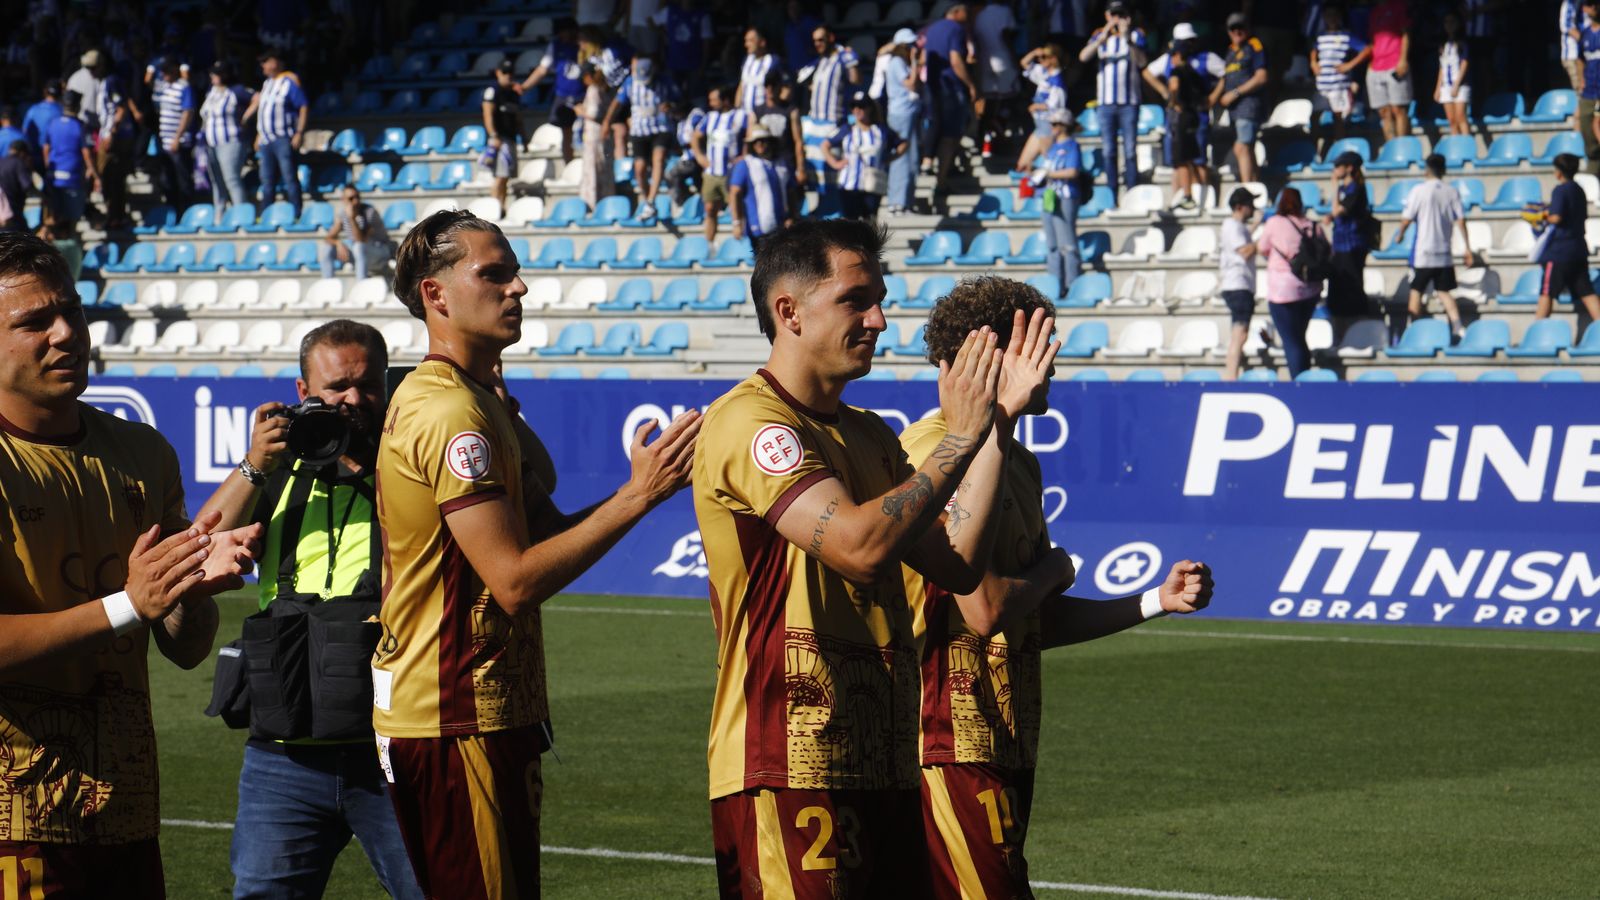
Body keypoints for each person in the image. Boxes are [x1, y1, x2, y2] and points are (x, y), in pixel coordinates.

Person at [375, 210, 700, 897]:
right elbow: (514, 580)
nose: (519, 287)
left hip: (489, 705)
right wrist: (636, 498)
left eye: (515, 270)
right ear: (436, 296)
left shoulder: (480, 400)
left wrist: (641, 492)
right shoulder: (448, 412)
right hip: (452, 710)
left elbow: (542, 536)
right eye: (494, 274)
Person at [691, 217, 1008, 898]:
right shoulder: (751, 423)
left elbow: (953, 567)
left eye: (880, 300)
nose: (880, 320)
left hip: (881, 760)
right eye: (855, 300)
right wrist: (957, 441)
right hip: (785, 760)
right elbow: (859, 549)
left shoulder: (867, 433)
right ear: (789, 312)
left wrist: (992, 433)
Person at [907, 278, 1215, 900]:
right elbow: (986, 606)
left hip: (1007, 738)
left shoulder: (1019, 462)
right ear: (999, 355)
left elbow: (1030, 621)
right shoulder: (928, 449)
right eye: (1044, 347)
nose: (1055, 365)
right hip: (945, 745)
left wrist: (1153, 600)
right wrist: (1053, 569)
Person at [0, 230, 259, 896]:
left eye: (74, 311)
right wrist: (129, 605)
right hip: (13, 817)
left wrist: (187, 591)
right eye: (35, 322)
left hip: (126, 807)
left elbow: (187, 649)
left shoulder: (143, 451)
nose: (67, 333)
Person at [196, 321, 423, 900]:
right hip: (284, 754)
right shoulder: (276, 472)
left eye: (367, 385)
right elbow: (200, 543)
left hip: (395, 750)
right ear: (302, 394)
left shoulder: (410, 460)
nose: (350, 401)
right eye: (336, 387)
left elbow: (535, 484)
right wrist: (254, 463)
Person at [1141, 23, 1224, 209]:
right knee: (1179, 161)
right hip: (1178, 118)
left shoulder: (1204, 59)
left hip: (1194, 116)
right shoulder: (1169, 61)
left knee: (1197, 160)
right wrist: (1164, 92)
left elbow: (1226, 73)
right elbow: (1147, 72)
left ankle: (1202, 198)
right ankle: (1181, 197)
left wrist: (1212, 98)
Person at [1394, 153, 1474, 341]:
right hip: (1444, 252)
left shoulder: (1419, 191)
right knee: (1444, 292)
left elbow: (1407, 218)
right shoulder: (1451, 191)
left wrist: (1400, 234)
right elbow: (1461, 221)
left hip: (1424, 251)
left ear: (1427, 170)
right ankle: (1457, 327)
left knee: (1416, 292)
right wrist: (1467, 247)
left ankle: (1413, 329)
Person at [1079, 1, 1145, 199]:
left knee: (1130, 151)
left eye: (1120, 14)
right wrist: (1102, 37)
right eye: (1113, 14)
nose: (1116, 18)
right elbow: (1083, 57)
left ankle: (1131, 192)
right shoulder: (1100, 35)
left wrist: (1126, 37)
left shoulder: (1136, 35)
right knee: (1108, 151)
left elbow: (1142, 61)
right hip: (1106, 104)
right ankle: (1111, 193)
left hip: (1129, 103)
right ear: (1107, 16)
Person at [1259, 187, 1326, 378]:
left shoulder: (1274, 223)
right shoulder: (1312, 225)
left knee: (1291, 341)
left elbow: (1263, 247)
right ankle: (1304, 377)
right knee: (1299, 338)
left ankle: (1298, 383)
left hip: (1283, 291)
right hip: (1310, 290)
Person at [604, 55, 677, 222]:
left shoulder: (665, 82)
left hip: (660, 127)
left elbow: (678, 102)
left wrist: (671, 107)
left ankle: (651, 200)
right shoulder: (630, 83)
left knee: (658, 159)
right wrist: (607, 121)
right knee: (640, 168)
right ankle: (646, 200)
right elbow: (617, 102)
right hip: (639, 129)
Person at [1535, 153, 1600, 331]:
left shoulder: (1560, 190)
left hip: (1560, 252)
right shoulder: (1579, 190)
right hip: (1578, 249)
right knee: (1587, 292)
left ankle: (1537, 332)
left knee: (1546, 292)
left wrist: (1541, 214)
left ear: (1559, 172)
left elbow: (1556, 217)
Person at [242, 48, 308, 216]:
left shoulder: (288, 82)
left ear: (275, 62)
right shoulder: (267, 84)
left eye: (266, 61)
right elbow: (264, 112)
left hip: (283, 137)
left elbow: (303, 106)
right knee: (267, 181)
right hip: (266, 140)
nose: (263, 65)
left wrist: (299, 132)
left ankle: (297, 212)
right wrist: (259, 135)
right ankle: (267, 214)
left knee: (289, 177)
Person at [924, 3, 978, 203]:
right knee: (950, 136)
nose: (969, 13)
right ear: (955, 11)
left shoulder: (932, 28)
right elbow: (956, 61)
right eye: (966, 9)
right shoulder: (956, 28)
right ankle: (941, 181)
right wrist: (971, 85)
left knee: (941, 130)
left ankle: (938, 167)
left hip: (933, 88)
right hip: (951, 89)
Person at [823, 94, 905, 222]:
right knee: (850, 222)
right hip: (849, 183)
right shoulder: (847, 129)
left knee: (870, 221)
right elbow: (825, 145)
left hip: (872, 183)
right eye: (853, 106)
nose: (857, 109)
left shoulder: (880, 130)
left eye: (861, 106)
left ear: (869, 108)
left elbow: (903, 143)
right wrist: (835, 163)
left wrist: (889, 159)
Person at [1032, 109, 1084, 300]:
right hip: (1050, 197)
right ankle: (1056, 285)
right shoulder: (1052, 148)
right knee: (1053, 245)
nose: (1051, 128)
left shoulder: (1072, 146)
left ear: (1063, 126)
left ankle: (1072, 284)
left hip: (1066, 196)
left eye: (1054, 124)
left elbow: (1072, 172)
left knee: (1068, 244)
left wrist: (1049, 174)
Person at [1325, 151, 1376, 341]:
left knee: (1353, 289)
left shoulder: (1356, 189)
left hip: (1352, 245)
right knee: (1337, 290)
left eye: (1339, 165)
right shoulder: (1346, 189)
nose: (1335, 170)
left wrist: (1333, 188)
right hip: (1340, 246)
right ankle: (1341, 334)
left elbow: (1338, 210)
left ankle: (1359, 332)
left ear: (1350, 168)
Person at [1212, 12, 1267, 186]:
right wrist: (1215, 97)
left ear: (1248, 28)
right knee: (1247, 148)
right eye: (1233, 28)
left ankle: (1246, 189)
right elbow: (1225, 77)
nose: (1237, 32)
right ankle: (1255, 185)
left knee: (1241, 147)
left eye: (1240, 27)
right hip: (1234, 110)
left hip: (1248, 106)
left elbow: (1261, 77)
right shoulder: (1231, 51)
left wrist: (1234, 93)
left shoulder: (1254, 46)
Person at [519, 17, 584, 163]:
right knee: (566, 134)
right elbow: (542, 69)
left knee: (586, 132)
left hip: (583, 96)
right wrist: (525, 86)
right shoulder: (555, 46)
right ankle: (569, 166)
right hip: (563, 96)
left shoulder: (583, 45)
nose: (563, 35)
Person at [693, 84, 748, 244]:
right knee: (709, 208)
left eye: (714, 100)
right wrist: (699, 156)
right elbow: (695, 136)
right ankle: (709, 245)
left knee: (737, 209)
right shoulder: (709, 117)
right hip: (711, 172)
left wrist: (744, 156)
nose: (710, 103)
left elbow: (749, 136)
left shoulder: (741, 116)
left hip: (732, 173)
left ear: (725, 100)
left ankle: (742, 245)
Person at [1309, 6, 1370, 148]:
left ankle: (1339, 147)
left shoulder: (1346, 36)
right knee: (1314, 116)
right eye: (1328, 15)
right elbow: (1314, 50)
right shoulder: (1320, 36)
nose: (1332, 18)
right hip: (1322, 85)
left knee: (1338, 117)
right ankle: (1313, 149)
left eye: (1334, 15)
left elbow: (1366, 49)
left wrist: (1349, 65)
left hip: (1339, 84)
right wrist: (1313, 63)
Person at [1162, 39, 1209, 212]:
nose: (1171, 58)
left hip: (1182, 118)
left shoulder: (1176, 71)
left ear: (1179, 54)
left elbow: (1174, 86)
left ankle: (1187, 196)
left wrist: (1172, 102)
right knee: (1194, 158)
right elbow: (1206, 98)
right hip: (1195, 116)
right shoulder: (1195, 73)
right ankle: (1198, 194)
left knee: (1181, 159)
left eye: (1173, 54)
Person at [728, 126, 791, 252]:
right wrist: (736, 222)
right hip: (758, 226)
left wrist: (792, 215)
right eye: (755, 141)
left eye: (763, 140)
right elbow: (734, 193)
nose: (759, 144)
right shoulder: (746, 165)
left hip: (782, 226)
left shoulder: (782, 164)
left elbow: (791, 191)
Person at [200, 61, 249, 220]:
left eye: (216, 73)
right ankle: (219, 216)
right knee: (217, 181)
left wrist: (246, 117)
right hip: (211, 143)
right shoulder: (211, 92)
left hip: (231, 141)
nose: (212, 76)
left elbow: (257, 98)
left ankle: (241, 215)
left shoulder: (236, 91)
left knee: (231, 178)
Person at [753, 71, 806, 218]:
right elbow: (751, 139)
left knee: (792, 206)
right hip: (765, 165)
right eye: (767, 86)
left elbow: (798, 141)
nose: (770, 90)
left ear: (779, 87)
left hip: (786, 162)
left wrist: (800, 167)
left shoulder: (790, 110)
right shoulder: (758, 111)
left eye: (773, 86)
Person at [1219, 187, 1259, 380]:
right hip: (1238, 285)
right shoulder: (1232, 226)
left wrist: (1257, 225)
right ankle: (1231, 377)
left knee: (1240, 332)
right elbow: (1244, 251)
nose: (1253, 208)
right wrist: (1265, 240)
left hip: (1238, 285)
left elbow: (1243, 238)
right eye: (1250, 204)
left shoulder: (1236, 227)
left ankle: (1231, 374)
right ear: (1240, 206)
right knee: (1239, 334)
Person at [971, 0, 1019, 158]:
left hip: (985, 63)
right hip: (1003, 61)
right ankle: (994, 138)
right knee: (1009, 101)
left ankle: (983, 141)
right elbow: (1006, 36)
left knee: (990, 105)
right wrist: (1014, 60)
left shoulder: (980, 14)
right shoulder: (1004, 11)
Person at [881, 30, 921, 216]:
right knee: (901, 159)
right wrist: (915, 62)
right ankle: (897, 203)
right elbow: (912, 84)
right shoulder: (897, 62)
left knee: (912, 159)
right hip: (900, 115)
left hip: (909, 114)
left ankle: (906, 202)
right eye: (910, 46)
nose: (914, 49)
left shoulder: (899, 63)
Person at [41, 93, 95, 231]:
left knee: (53, 219)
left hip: (53, 178)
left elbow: (46, 148)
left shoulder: (53, 123)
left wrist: (48, 167)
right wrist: (92, 171)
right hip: (73, 179)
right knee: (71, 224)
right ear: (77, 106)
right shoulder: (80, 126)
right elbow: (86, 152)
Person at [318, 186, 393, 280]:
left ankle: (361, 285)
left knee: (358, 246)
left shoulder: (370, 212)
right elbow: (328, 238)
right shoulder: (342, 214)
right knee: (326, 248)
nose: (356, 201)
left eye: (357, 197)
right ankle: (327, 284)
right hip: (361, 254)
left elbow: (361, 239)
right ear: (343, 200)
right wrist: (338, 243)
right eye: (351, 198)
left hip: (380, 253)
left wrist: (352, 218)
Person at [1016, 43, 1067, 177]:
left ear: (1053, 59)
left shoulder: (1057, 81)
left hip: (1048, 126)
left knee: (1049, 163)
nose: (1040, 60)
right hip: (1039, 126)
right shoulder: (1044, 73)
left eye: (1044, 57)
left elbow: (1056, 106)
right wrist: (1034, 53)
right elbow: (1024, 63)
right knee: (1022, 165)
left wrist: (1036, 107)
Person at [1366, 0, 1413, 142]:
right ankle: (1391, 147)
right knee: (1383, 112)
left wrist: (1403, 59)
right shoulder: (1374, 12)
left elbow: (1406, 34)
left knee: (1398, 109)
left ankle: (1402, 147)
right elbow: (1373, 41)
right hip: (1376, 67)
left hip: (1395, 64)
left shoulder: (1399, 6)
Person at [152, 58, 194, 211]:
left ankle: (186, 211)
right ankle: (173, 210)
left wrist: (177, 137)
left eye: (166, 72)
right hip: (165, 140)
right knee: (167, 179)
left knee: (183, 179)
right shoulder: (164, 87)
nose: (163, 75)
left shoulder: (184, 86)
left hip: (179, 141)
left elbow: (188, 112)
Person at [482, 60, 522, 220]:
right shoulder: (493, 91)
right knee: (500, 176)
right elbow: (487, 114)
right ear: (498, 72)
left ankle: (501, 207)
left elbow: (518, 117)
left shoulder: (513, 93)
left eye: (511, 73)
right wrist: (493, 135)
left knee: (505, 177)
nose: (508, 76)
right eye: (505, 72)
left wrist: (524, 137)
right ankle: (494, 207)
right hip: (499, 139)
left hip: (511, 137)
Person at [802, 25, 861, 126]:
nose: (817, 44)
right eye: (815, 41)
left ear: (831, 38)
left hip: (834, 121)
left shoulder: (843, 57)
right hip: (815, 121)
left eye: (820, 40)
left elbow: (856, 80)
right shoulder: (820, 61)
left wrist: (851, 61)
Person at [652, 0, 711, 99]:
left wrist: (703, 65)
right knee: (672, 97)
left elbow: (707, 42)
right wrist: (664, 35)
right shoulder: (670, 11)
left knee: (695, 97)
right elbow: (651, 21)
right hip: (673, 62)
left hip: (694, 64)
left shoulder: (702, 15)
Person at [578, 63, 616, 211]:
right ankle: (604, 202)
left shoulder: (593, 89)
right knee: (601, 169)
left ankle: (593, 205)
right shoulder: (601, 88)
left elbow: (593, 113)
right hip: (600, 134)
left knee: (593, 170)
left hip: (594, 134)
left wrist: (580, 111)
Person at [1436, 12, 1470, 137]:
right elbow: (1442, 67)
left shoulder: (1462, 42)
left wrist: (1456, 84)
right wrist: (1438, 88)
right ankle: (1456, 146)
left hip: (1460, 84)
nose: (1449, 25)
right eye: (1446, 22)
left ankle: (1467, 146)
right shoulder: (1442, 44)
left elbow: (1464, 63)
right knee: (1452, 120)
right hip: (1446, 85)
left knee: (1460, 117)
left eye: (1452, 22)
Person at [737, 27, 780, 114]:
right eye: (746, 41)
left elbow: (781, 87)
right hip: (744, 113)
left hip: (763, 114)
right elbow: (741, 85)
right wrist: (737, 109)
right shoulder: (747, 60)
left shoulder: (773, 61)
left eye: (750, 41)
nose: (746, 44)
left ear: (762, 42)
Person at [21, 82, 61, 172]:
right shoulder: (60, 111)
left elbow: (24, 131)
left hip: (35, 156)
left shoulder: (33, 109)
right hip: (53, 157)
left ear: (45, 92)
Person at [1581, 0, 1600, 176]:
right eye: (1590, 4)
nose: (1594, 8)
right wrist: (1582, 79)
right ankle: (1593, 174)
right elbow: (1581, 58)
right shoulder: (1585, 34)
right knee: (1589, 136)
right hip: (1589, 91)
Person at [0, 140, 33, 231]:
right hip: (12, 212)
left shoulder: (1, 161)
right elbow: (27, 185)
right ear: (22, 153)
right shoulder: (18, 163)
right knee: (25, 239)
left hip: (1, 213)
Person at [1562, 0, 1584, 93]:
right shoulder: (1569, 3)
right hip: (1573, 56)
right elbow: (1567, 26)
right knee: (1582, 94)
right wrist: (1588, 42)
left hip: (1590, 56)